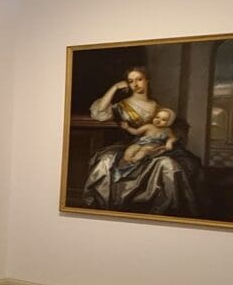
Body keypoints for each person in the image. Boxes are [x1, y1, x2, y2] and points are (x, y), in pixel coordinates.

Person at [81, 67, 205, 216]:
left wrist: (169, 141)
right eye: (131, 81)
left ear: (147, 81)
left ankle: (167, 211)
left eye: (139, 79)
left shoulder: (157, 107)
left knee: (169, 165)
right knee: (105, 161)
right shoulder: (122, 105)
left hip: (155, 146)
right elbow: (100, 112)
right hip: (130, 145)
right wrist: (115, 88)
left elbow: (173, 129)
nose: (135, 84)